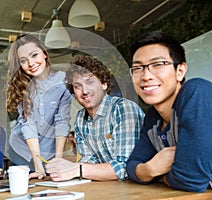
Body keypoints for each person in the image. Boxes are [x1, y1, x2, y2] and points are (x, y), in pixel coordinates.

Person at [126, 31, 212, 192]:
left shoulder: (197, 93)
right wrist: (150, 170)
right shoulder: (153, 117)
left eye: (157, 64)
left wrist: (159, 177)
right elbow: (132, 165)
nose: (146, 76)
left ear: (180, 71)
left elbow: (190, 180)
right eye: (137, 68)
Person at [45, 55, 145, 181]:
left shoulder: (124, 109)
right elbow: (89, 160)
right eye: (77, 86)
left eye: (90, 82)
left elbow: (125, 168)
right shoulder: (81, 118)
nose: (84, 91)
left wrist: (76, 169)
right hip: (109, 188)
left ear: (104, 84)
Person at [6, 34, 72, 179]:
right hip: (22, 149)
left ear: (44, 54)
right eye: (23, 61)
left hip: (49, 150)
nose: (31, 63)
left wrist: (59, 159)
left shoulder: (63, 81)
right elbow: (29, 125)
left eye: (34, 55)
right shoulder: (22, 86)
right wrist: (37, 166)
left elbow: (62, 120)